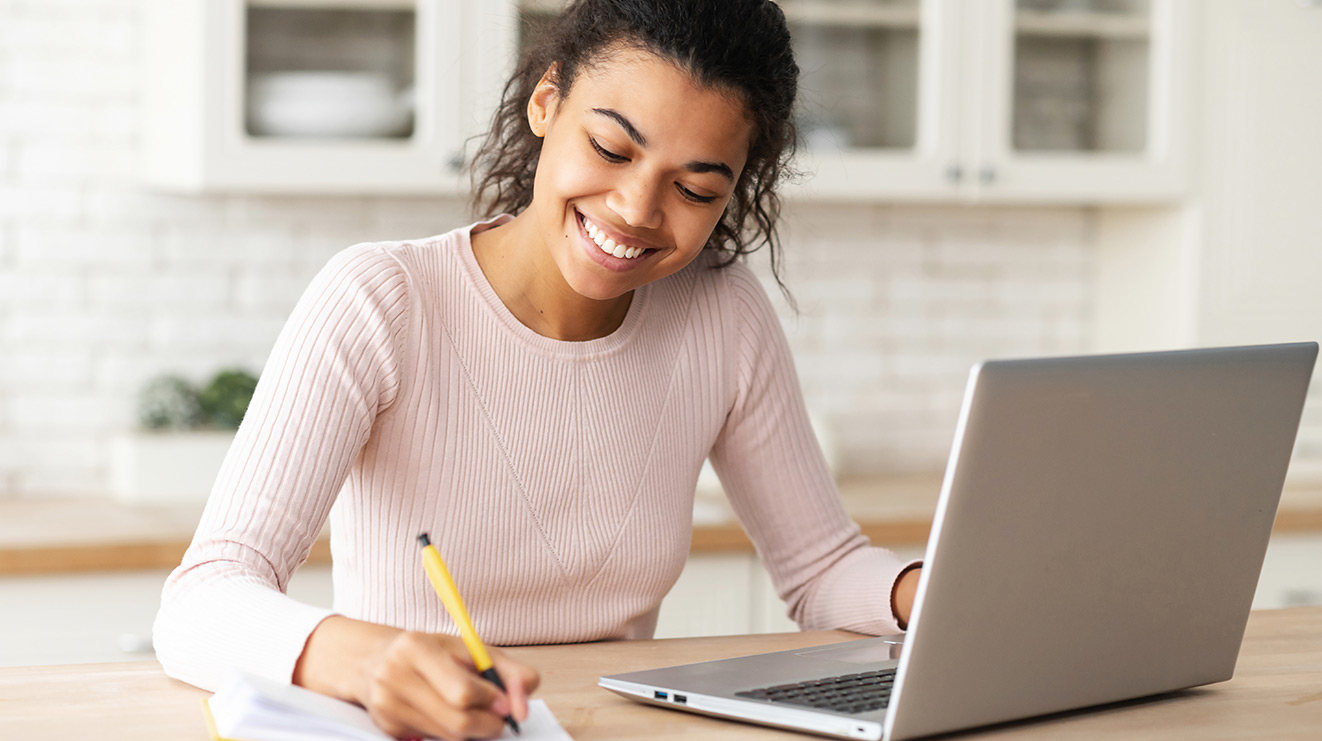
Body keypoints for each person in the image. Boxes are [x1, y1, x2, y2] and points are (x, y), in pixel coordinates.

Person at [153, 1, 923, 739]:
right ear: (547, 103)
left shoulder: (722, 314)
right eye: (612, 150)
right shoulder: (381, 302)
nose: (635, 208)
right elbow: (201, 598)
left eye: (694, 188)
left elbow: (821, 570)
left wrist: (923, 593)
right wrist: (363, 659)